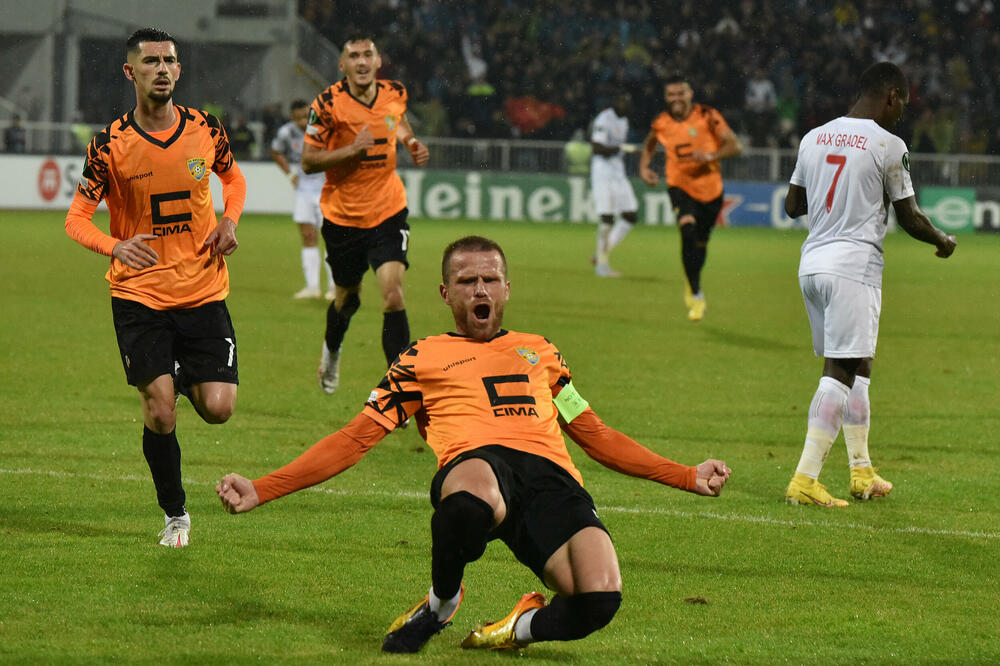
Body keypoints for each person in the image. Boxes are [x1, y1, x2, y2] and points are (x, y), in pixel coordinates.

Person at [217, 235, 732, 654]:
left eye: (489, 280)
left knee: (599, 600)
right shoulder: (421, 359)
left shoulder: (541, 353)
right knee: (469, 495)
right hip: (479, 470)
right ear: (446, 294)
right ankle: (442, 602)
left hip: (552, 481)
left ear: (507, 288)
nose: (479, 290)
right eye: (466, 281)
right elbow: (355, 439)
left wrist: (686, 475)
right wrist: (263, 488)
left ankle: (516, 628)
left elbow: (594, 433)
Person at [64, 28, 246, 547]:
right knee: (161, 409)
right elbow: (77, 218)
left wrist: (230, 220)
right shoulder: (109, 145)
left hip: (203, 290)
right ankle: (176, 514)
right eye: (150, 62)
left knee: (218, 409)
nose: (162, 69)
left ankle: (176, 372)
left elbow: (233, 181)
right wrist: (114, 246)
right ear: (131, 72)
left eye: (169, 60)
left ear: (179, 70)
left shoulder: (205, 129)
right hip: (139, 294)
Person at [783, 62, 956, 507]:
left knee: (858, 367)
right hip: (853, 269)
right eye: (903, 105)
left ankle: (862, 471)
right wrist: (942, 239)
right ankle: (804, 479)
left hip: (813, 266)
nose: (902, 115)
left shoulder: (813, 136)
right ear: (891, 97)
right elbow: (910, 216)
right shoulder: (887, 144)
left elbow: (792, 205)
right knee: (839, 373)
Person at [301, 35, 429, 394]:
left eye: (367, 55)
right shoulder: (327, 105)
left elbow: (396, 120)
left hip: (388, 210)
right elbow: (309, 161)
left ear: (378, 62)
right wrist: (349, 150)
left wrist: (410, 142)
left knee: (393, 293)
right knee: (347, 300)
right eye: (353, 55)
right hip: (343, 218)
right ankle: (332, 349)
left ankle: (399, 387)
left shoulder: (395, 92)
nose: (360, 61)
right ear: (341, 65)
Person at [639, 74, 743, 321]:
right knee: (687, 229)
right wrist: (644, 168)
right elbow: (649, 144)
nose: (676, 99)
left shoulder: (708, 115)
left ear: (689, 94)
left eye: (680, 94)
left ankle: (692, 280)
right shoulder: (661, 122)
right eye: (671, 95)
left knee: (700, 243)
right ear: (666, 98)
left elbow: (735, 146)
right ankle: (696, 293)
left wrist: (711, 156)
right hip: (679, 186)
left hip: (711, 190)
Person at [270, 99, 334, 299]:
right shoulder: (286, 133)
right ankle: (313, 287)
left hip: (327, 191)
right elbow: (275, 150)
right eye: (298, 118)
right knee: (308, 237)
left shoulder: (324, 130)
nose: (301, 121)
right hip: (304, 191)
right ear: (292, 117)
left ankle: (334, 288)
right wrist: (290, 175)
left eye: (305, 116)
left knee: (332, 240)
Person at [590, 93, 639, 278]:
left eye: (626, 101)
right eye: (620, 100)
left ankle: (600, 254)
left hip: (618, 172)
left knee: (630, 215)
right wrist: (623, 148)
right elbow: (597, 147)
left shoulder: (624, 121)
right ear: (614, 102)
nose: (624, 104)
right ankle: (602, 266)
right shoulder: (604, 119)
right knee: (607, 219)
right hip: (602, 173)